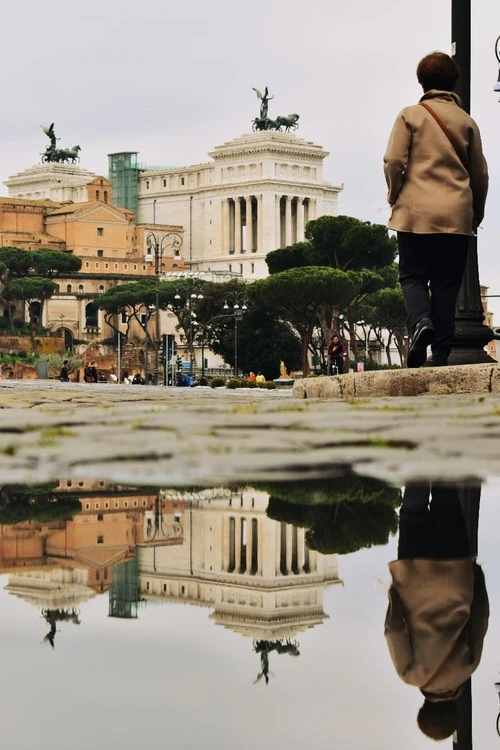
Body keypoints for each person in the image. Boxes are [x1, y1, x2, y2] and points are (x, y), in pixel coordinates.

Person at [383, 52, 488, 368]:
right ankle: (440, 353)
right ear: (453, 81)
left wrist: (394, 194)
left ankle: (421, 322)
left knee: (413, 276)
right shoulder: (467, 121)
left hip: (415, 212)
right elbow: (480, 174)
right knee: (446, 285)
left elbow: (393, 161)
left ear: (421, 81)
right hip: (457, 215)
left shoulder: (410, 116)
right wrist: (476, 211)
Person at [384, 481, 489, 741]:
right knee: (413, 512)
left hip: (455, 575)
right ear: (424, 708)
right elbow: (394, 629)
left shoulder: (468, 667)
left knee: (446, 500)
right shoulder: (409, 674)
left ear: (454, 709)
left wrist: (474, 575)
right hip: (415, 575)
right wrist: (395, 593)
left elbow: (481, 616)